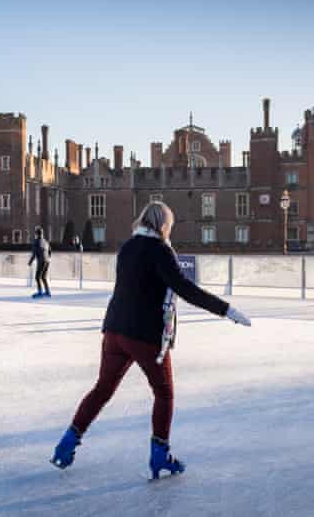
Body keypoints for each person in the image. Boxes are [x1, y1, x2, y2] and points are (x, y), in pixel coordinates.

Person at [51, 201, 251, 480]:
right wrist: (226, 310)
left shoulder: (128, 247)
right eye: (170, 224)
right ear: (161, 225)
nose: (171, 230)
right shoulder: (160, 251)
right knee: (164, 393)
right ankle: (160, 455)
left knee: (102, 390)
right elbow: (185, 289)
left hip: (114, 330)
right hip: (145, 335)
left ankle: (66, 443)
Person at [29, 227, 51, 298]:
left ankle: (40, 292)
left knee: (37, 277)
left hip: (42, 261)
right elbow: (50, 251)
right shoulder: (45, 241)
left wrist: (30, 262)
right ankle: (47, 291)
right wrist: (47, 258)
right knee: (43, 277)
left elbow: (34, 253)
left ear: (36, 234)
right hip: (47, 261)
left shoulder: (36, 241)